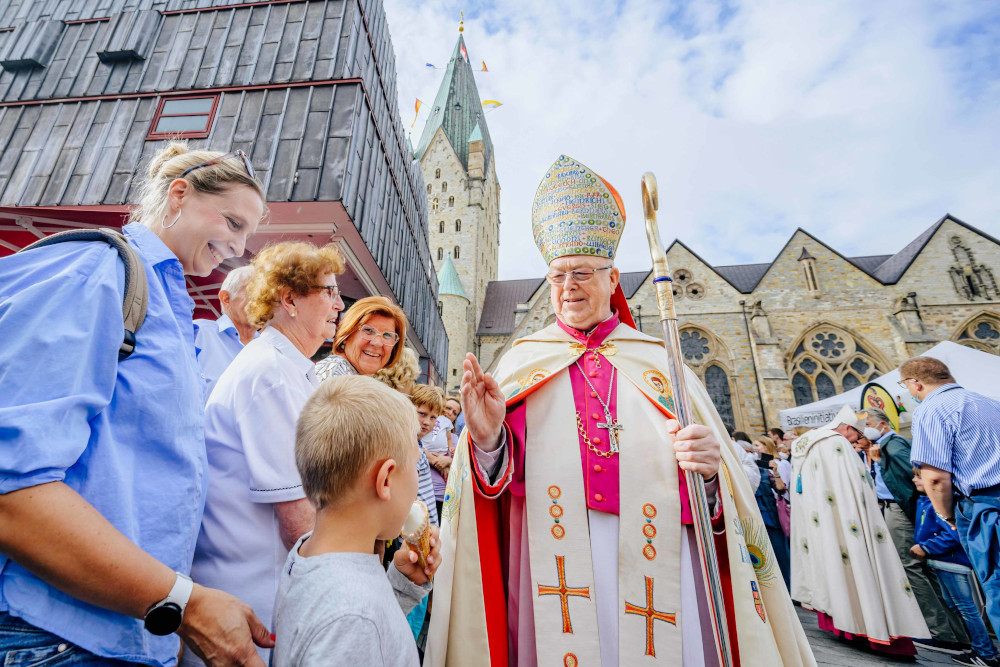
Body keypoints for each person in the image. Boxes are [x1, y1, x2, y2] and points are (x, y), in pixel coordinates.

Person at [427, 155, 815, 666]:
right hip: (553, 554)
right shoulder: (522, 362)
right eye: (558, 275)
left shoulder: (661, 363)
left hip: (660, 550)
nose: (568, 288)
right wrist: (487, 441)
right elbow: (494, 491)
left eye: (583, 273)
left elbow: (717, 498)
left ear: (613, 280)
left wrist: (709, 472)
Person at [0, 143, 271, 665]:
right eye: (233, 222)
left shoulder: (167, 305)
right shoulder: (97, 269)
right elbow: (14, 485)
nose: (239, 247)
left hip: (118, 632)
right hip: (54, 637)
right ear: (179, 195)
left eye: (247, 235)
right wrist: (182, 604)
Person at [185, 241, 346, 665]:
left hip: (264, 592)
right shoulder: (271, 373)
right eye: (328, 292)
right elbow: (298, 518)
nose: (339, 304)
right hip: (251, 600)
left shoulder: (288, 367)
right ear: (289, 299)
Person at [271, 375, 440, 666]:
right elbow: (355, 624)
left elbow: (371, 638)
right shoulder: (350, 617)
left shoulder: (308, 551)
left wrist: (401, 585)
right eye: (415, 467)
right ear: (385, 479)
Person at [791, 404, 929, 656]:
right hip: (849, 519)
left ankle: (843, 621)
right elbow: (857, 488)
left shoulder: (804, 442)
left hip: (819, 521)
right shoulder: (836, 443)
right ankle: (873, 625)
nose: (859, 440)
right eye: (857, 434)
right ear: (845, 428)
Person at [905, 356, 1000, 639]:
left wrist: (947, 516)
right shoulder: (989, 402)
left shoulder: (931, 409)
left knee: (996, 584)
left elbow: (934, 477)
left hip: (984, 507)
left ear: (915, 383)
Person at [865, 406, 969, 654]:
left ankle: (942, 632)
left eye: (867, 422)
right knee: (921, 569)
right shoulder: (884, 446)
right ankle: (952, 631)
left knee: (912, 568)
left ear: (881, 424)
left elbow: (912, 479)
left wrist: (912, 510)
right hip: (898, 508)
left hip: (901, 509)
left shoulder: (894, 445)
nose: (864, 429)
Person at [912, 467, 1000, 667]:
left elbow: (953, 534)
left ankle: (985, 652)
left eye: (919, 476)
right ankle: (979, 647)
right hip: (941, 561)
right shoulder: (925, 501)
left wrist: (926, 547)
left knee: (966, 607)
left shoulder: (943, 505)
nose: (915, 480)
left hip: (952, 562)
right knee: (956, 605)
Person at [194, 265, 257, 399]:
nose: (263, 300)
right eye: (253, 291)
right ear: (226, 298)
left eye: (266, 294)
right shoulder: (199, 333)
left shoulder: (269, 348)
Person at [314, 295, 407, 380]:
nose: (377, 343)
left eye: (387, 335)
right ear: (347, 334)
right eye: (368, 330)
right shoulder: (335, 376)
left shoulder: (353, 378)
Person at [752, 436, 791, 589]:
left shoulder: (765, 471)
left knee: (781, 554)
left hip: (771, 516)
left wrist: (775, 471)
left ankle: (788, 588)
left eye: (758, 445)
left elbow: (781, 488)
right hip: (756, 518)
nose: (755, 449)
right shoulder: (748, 469)